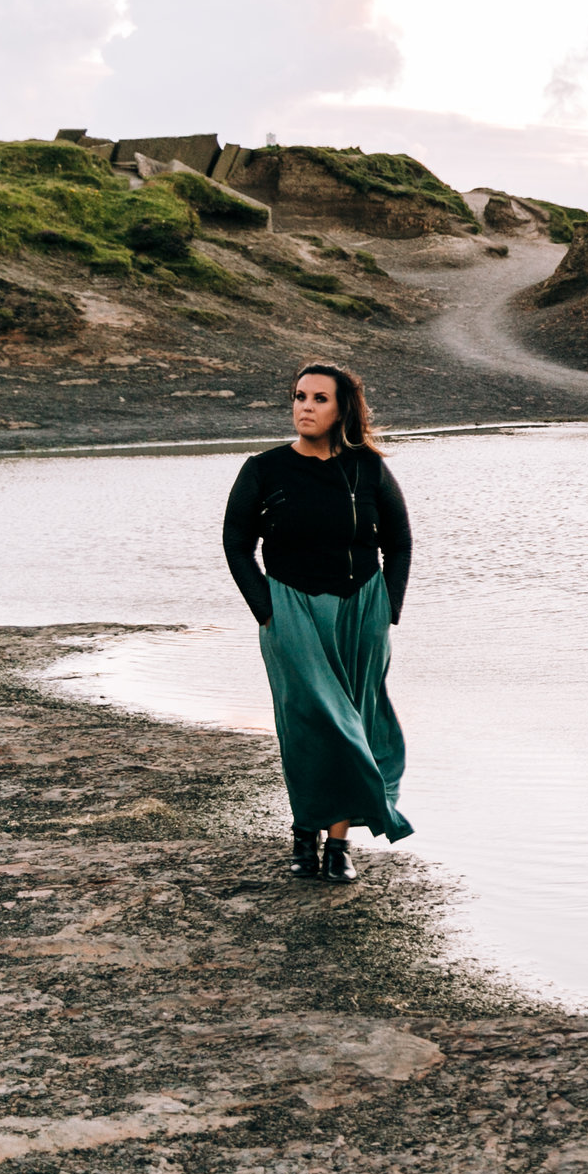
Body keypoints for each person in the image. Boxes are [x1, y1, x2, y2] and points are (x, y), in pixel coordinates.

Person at [221, 362, 414, 884]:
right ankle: (305, 832)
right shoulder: (264, 469)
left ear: (341, 408)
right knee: (313, 725)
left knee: (357, 720)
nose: (305, 406)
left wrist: (386, 609)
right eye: (299, 396)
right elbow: (237, 545)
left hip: (361, 611)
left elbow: (397, 542)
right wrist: (267, 609)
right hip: (292, 612)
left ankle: (336, 845)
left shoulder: (367, 469)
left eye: (318, 398)